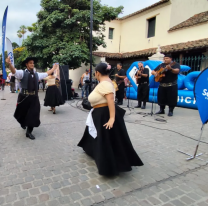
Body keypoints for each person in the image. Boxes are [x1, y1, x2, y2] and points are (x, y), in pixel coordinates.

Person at [78, 62, 143, 176]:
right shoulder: (105, 82)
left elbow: (111, 101)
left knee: (105, 140)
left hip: (104, 114)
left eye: (95, 73)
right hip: (99, 113)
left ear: (97, 73)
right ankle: (92, 150)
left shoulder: (105, 84)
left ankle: (108, 166)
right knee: (95, 136)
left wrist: (112, 118)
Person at [6, 56, 57, 140]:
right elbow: (14, 71)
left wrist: (54, 68)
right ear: (26, 64)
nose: (32, 64)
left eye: (33, 63)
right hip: (24, 97)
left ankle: (29, 132)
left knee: (34, 114)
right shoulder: (22, 73)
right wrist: (10, 64)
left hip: (34, 98)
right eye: (30, 63)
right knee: (22, 113)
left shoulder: (37, 74)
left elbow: (47, 73)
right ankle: (23, 122)